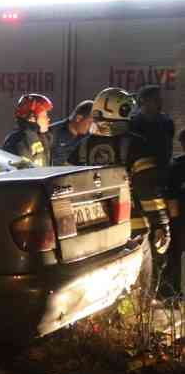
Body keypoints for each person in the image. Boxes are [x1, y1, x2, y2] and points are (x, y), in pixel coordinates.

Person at [71, 87, 171, 289]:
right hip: (130, 230)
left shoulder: (80, 149)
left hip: (89, 234)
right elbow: (148, 190)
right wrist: (161, 224)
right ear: (123, 112)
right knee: (138, 288)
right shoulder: (137, 145)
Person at [132, 84, 175, 183]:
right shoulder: (133, 123)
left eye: (160, 99)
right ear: (143, 101)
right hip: (140, 176)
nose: (160, 102)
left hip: (164, 174)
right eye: (156, 99)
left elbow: (169, 145)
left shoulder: (167, 122)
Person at [2, 93, 54, 167]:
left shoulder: (41, 137)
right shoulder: (20, 141)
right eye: (44, 116)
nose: (48, 119)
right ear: (32, 118)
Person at [164, 129, 185, 295]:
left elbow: (171, 196)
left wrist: (174, 221)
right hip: (180, 219)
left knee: (177, 255)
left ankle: (177, 292)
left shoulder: (176, 165)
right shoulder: (177, 166)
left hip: (179, 219)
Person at [48, 100, 93, 165]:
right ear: (78, 118)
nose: (91, 127)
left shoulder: (86, 135)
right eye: (90, 122)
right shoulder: (52, 133)